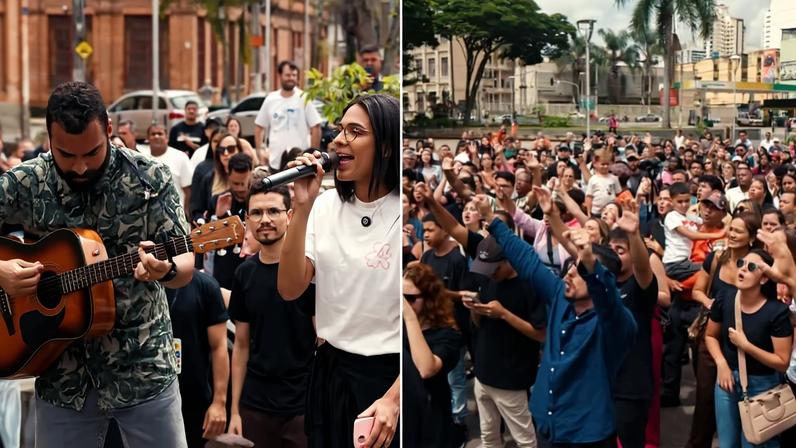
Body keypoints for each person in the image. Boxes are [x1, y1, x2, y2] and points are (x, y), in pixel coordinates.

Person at [0, 81, 194, 446]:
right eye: (66, 154)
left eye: (91, 152)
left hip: (143, 368)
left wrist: (165, 270)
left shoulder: (149, 180)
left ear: (108, 129)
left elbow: (185, 259)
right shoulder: (28, 181)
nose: (80, 166)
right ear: (49, 136)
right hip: (62, 378)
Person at [277, 94, 400, 448]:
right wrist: (302, 207)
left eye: (355, 131)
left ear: (387, 147)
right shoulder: (324, 205)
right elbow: (289, 288)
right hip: (331, 373)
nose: (339, 140)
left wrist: (394, 400)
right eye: (339, 130)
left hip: (388, 378)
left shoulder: (401, 210)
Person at [473, 196, 636, 447]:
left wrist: (590, 265)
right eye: (571, 266)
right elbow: (527, 260)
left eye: (580, 271)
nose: (569, 273)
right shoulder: (561, 295)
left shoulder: (616, 323)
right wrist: (491, 218)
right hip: (548, 424)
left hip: (586, 434)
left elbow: (608, 299)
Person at [228, 184, 316, 447]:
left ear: (288, 216)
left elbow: (321, 342)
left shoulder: (309, 271)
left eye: (273, 211)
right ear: (247, 220)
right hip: (255, 405)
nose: (264, 219)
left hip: (303, 405)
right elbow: (241, 344)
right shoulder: (244, 274)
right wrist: (234, 410)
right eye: (256, 213)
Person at [705, 248, 793, 448]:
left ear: (763, 279)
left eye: (751, 267)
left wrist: (746, 346)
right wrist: (721, 364)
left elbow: (782, 362)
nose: (742, 270)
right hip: (727, 383)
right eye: (741, 264)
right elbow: (710, 336)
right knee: (727, 444)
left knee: (754, 444)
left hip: (763, 387)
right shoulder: (725, 298)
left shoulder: (776, 312)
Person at [165, 270, 229, 448]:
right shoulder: (144, 284)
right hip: (149, 397)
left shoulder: (206, 286)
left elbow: (219, 347)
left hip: (194, 397)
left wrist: (219, 402)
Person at [402, 263, 462, 447]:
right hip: (404, 411)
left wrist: (409, 317)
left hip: (431, 416)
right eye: (401, 296)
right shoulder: (399, 325)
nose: (404, 302)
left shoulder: (447, 334)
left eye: (410, 298)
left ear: (429, 299)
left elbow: (426, 369)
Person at [253, 60, 322, 171]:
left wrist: (313, 153)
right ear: (280, 75)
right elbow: (259, 126)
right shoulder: (271, 99)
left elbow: (316, 126)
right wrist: (260, 151)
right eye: (288, 75)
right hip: (275, 162)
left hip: (300, 162)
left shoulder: (304, 97)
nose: (291, 78)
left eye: (294, 75)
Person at [144, 124, 194, 214]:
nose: (156, 136)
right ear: (147, 138)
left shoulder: (180, 157)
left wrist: (186, 213)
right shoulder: (142, 159)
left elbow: (188, 190)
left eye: (160, 133)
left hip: (175, 214)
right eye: (153, 134)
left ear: (167, 138)